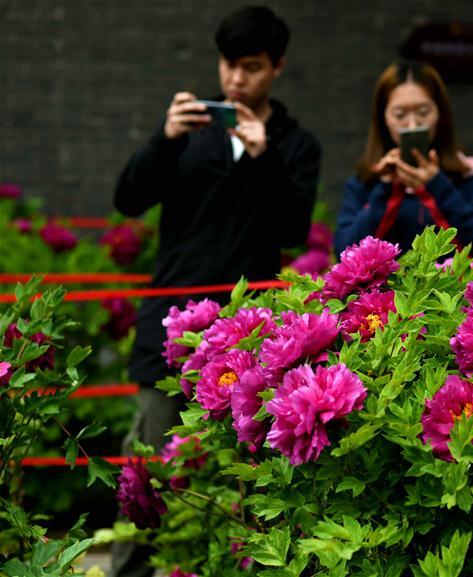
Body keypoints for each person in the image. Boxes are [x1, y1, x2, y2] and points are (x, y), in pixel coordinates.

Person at [111, 6, 320, 577]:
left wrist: (263, 156)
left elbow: (292, 231)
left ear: (277, 67)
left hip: (247, 337)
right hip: (168, 328)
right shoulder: (189, 131)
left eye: (251, 67)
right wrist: (163, 138)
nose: (235, 80)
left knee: (242, 479)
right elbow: (127, 200)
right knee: (147, 473)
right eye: (229, 65)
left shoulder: (296, 145)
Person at [334, 59, 473, 261]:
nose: (412, 124)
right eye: (400, 114)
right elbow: (345, 255)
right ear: (383, 118)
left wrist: (437, 185)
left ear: (440, 113)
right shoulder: (366, 183)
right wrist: (387, 187)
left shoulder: (469, 178)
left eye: (423, 112)